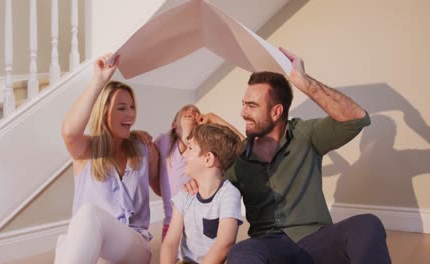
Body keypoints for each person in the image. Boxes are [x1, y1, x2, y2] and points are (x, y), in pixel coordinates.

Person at [185, 48, 391, 263]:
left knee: (367, 225)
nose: (243, 113)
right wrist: (196, 182)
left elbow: (357, 118)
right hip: (267, 245)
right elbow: (213, 190)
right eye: (244, 104)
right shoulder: (238, 158)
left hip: (316, 239)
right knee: (241, 253)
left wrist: (304, 81)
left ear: (276, 112)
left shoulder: (304, 134)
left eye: (252, 106)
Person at [55, 53, 160, 264]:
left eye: (132, 107)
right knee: (72, 243)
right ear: (104, 113)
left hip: (134, 247)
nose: (130, 115)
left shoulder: (142, 148)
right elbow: (69, 132)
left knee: (86, 216)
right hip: (98, 245)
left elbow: (161, 187)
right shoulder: (87, 151)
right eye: (122, 108)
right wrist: (99, 81)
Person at [160, 124, 243, 264]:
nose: (184, 154)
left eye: (190, 148)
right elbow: (170, 243)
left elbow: (225, 244)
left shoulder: (229, 194)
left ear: (208, 159)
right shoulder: (185, 195)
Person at [154, 104, 201, 240]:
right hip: (171, 223)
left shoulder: (202, 148)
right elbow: (146, 155)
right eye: (186, 110)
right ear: (174, 124)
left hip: (198, 223)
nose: (192, 110)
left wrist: (210, 120)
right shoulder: (165, 142)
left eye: (196, 112)